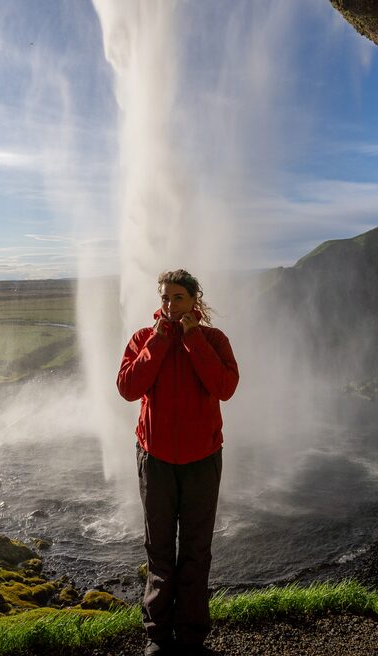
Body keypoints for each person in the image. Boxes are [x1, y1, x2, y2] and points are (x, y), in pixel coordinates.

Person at [117, 269, 239, 656]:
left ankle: (190, 637)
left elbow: (224, 388)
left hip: (202, 460)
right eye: (165, 298)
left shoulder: (213, 340)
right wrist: (158, 341)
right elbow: (128, 388)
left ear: (194, 301)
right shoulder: (143, 338)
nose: (170, 305)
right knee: (159, 549)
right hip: (155, 459)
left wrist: (192, 339)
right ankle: (157, 636)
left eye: (179, 298)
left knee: (196, 549)